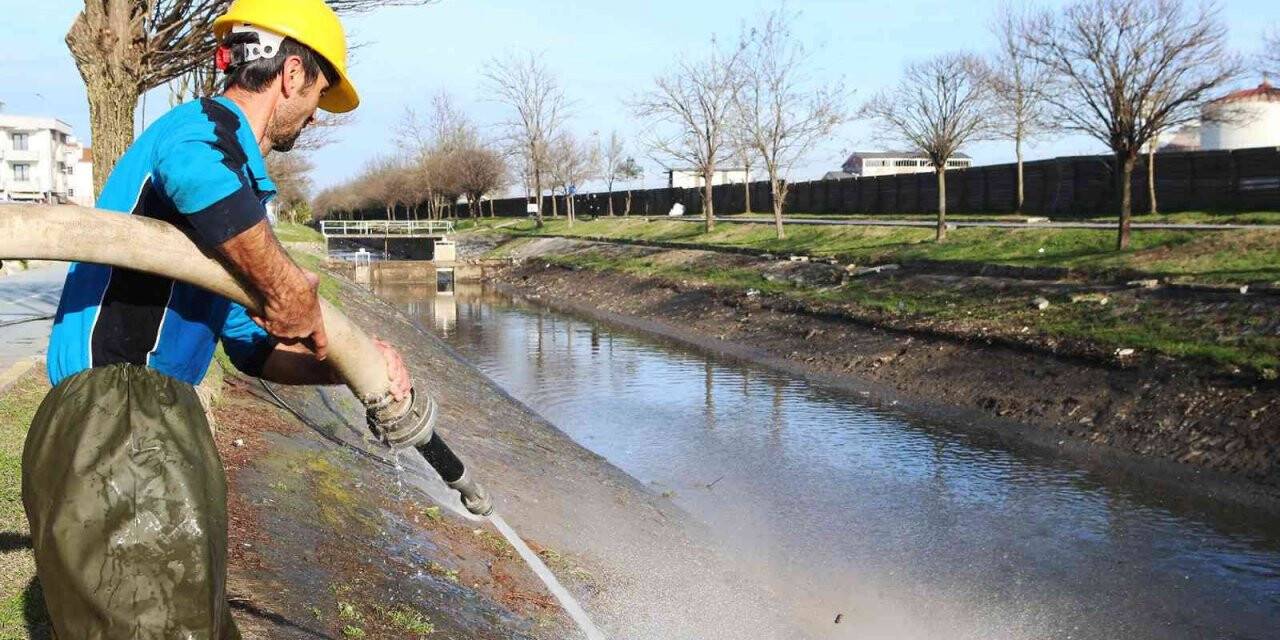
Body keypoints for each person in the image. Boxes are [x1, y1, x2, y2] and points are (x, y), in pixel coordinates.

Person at [22, 0, 410, 637]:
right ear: (291, 75)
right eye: (318, 91)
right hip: (117, 415)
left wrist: (352, 371)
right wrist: (287, 284)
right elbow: (195, 173)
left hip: (151, 420)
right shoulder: (202, 129)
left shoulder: (232, 209)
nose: (314, 115)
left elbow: (252, 349)